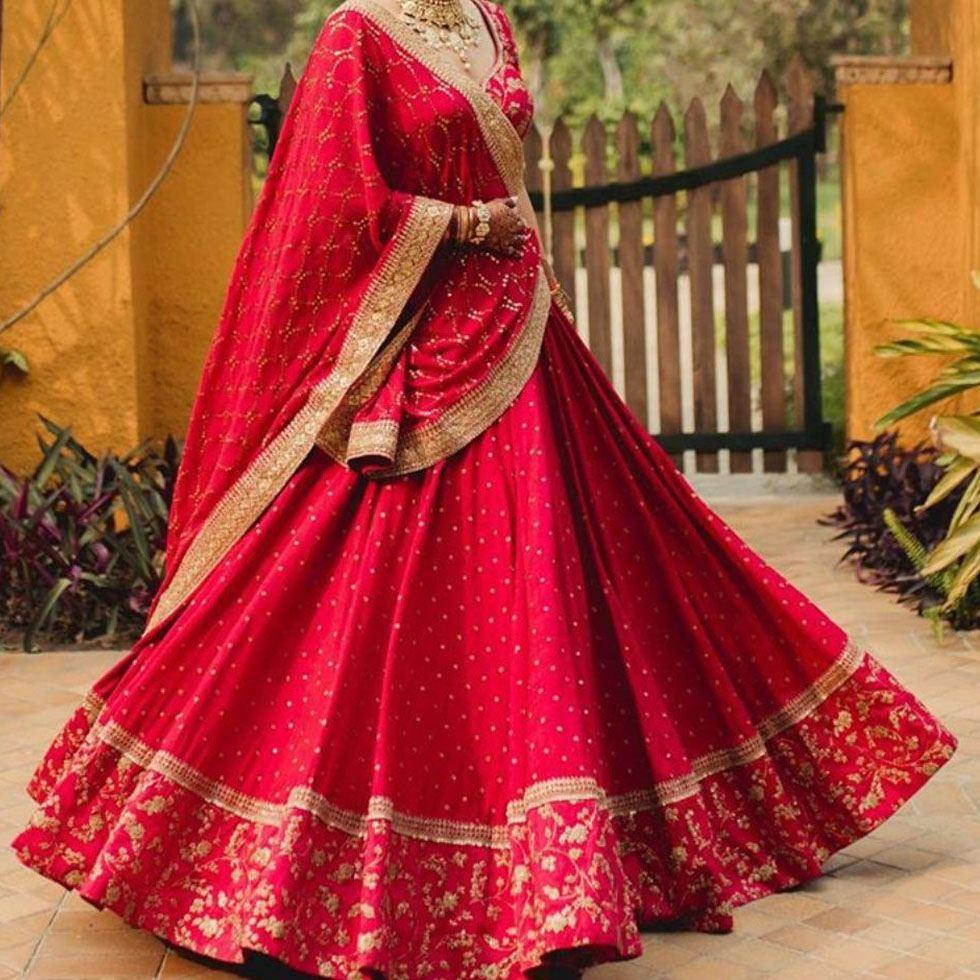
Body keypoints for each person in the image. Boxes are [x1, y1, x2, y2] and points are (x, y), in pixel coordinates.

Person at [13, 1, 956, 977]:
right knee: (380, 586)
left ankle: (577, 862)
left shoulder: (490, 18)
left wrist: (511, 246)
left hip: (519, 338)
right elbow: (327, 202)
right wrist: (463, 222)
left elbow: (503, 172)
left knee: (592, 572)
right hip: (416, 347)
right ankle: (283, 857)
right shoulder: (356, 34)